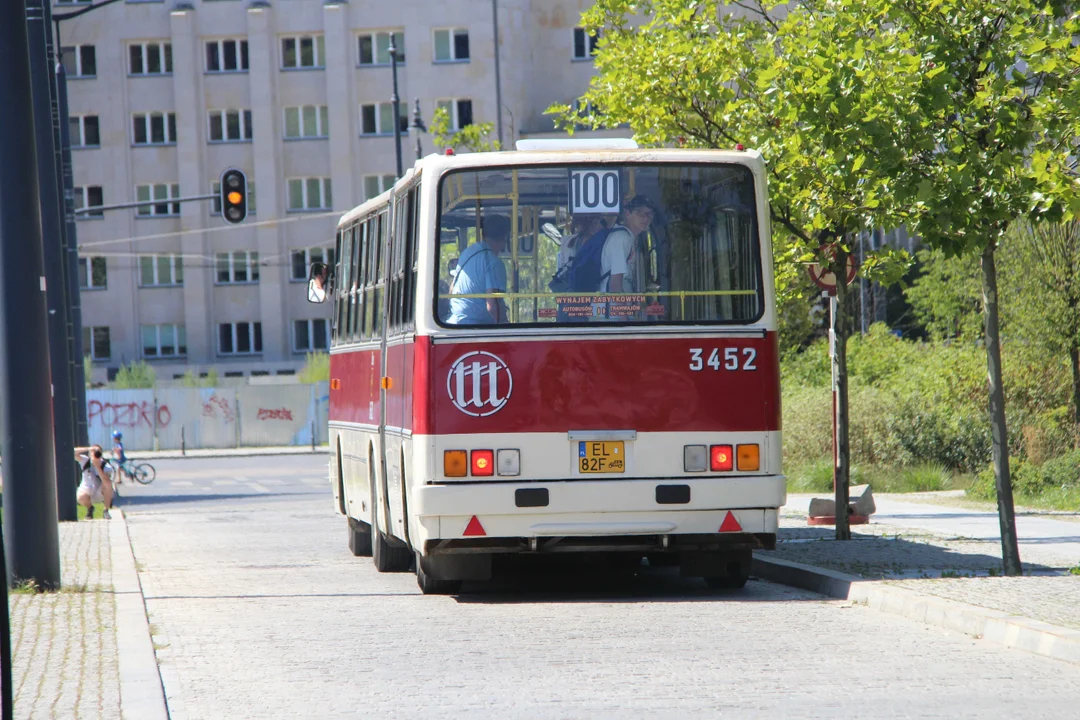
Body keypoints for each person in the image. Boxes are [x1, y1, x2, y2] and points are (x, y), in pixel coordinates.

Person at [446, 214, 511, 325]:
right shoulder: (494, 262)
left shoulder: (467, 253)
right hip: (477, 327)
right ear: (505, 238)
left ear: (483, 234)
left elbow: (451, 290)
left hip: (454, 323)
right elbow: (492, 306)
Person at [75, 444, 114, 520]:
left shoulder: (106, 466)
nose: (95, 454)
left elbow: (106, 481)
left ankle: (106, 510)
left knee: (108, 484)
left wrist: (97, 466)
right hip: (87, 491)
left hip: (100, 493)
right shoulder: (85, 461)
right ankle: (90, 509)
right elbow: (72, 452)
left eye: (97, 452)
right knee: (80, 497)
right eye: (93, 452)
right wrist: (89, 448)